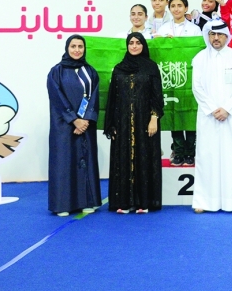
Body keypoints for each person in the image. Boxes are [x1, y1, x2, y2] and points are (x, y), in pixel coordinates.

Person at [191, 20, 232, 213]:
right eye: (212, 34)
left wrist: (227, 108)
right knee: (207, 157)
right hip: (208, 116)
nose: (216, 38)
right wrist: (212, 109)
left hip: (231, 115)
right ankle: (204, 202)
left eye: (219, 34)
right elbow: (197, 87)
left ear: (227, 36)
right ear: (208, 36)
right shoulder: (200, 58)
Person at [104, 33, 164, 214]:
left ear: (143, 45)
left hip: (145, 122)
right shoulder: (119, 68)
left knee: (144, 158)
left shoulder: (151, 67)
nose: (134, 46)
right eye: (131, 43)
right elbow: (112, 99)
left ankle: (143, 202)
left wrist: (154, 118)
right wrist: (111, 124)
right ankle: (123, 202)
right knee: (122, 160)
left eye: (138, 43)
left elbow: (157, 95)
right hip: (122, 122)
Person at [47, 35, 101, 216]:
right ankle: (63, 205)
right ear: (67, 48)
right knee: (64, 163)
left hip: (85, 125)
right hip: (63, 126)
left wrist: (85, 120)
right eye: (73, 46)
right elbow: (57, 98)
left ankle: (88, 201)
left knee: (85, 162)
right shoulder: (56, 72)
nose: (77, 50)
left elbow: (94, 97)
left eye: (80, 46)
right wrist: (73, 119)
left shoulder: (90, 72)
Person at [155, 0, 203, 167]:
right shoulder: (163, 29)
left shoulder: (195, 30)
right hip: (169, 78)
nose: (176, 9)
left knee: (189, 114)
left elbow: (198, 53)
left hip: (188, 78)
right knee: (173, 113)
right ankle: (178, 151)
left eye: (180, 6)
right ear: (169, 8)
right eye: (173, 6)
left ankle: (190, 152)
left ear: (186, 8)